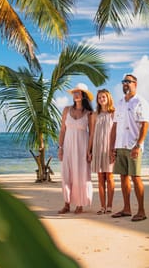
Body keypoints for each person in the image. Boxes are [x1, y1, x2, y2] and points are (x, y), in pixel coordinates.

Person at [110, 73, 149, 222]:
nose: (125, 84)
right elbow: (114, 126)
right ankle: (126, 209)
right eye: (123, 82)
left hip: (134, 146)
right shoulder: (119, 103)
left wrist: (138, 145)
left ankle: (141, 211)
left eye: (128, 81)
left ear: (135, 84)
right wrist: (111, 147)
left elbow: (145, 124)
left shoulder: (141, 102)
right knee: (123, 177)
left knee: (136, 177)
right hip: (120, 145)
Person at [57, 83, 94, 214]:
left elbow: (92, 134)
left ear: (84, 95)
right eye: (74, 92)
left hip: (82, 146)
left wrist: (89, 151)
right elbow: (62, 131)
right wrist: (60, 147)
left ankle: (79, 204)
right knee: (67, 174)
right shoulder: (66, 110)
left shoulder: (89, 114)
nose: (76, 94)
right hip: (68, 146)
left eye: (79, 92)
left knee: (81, 175)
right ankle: (66, 204)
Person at [88, 89, 116, 215]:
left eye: (103, 97)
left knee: (109, 177)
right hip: (97, 148)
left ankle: (110, 206)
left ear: (108, 98)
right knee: (100, 178)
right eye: (99, 98)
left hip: (109, 149)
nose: (101, 99)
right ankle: (102, 206)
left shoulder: (114, 113)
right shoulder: (94, 115)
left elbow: (116, 133)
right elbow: (92, 133)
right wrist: (89, 150)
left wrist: (114, 150)